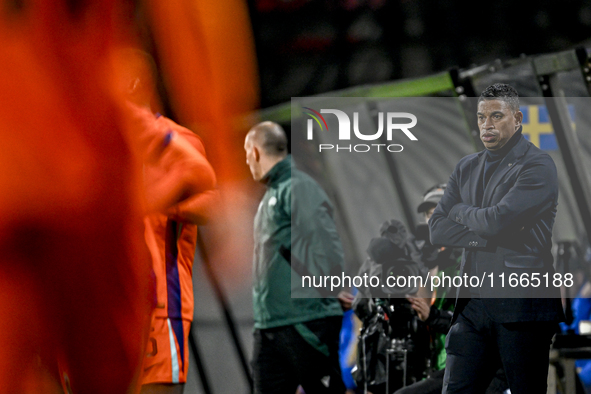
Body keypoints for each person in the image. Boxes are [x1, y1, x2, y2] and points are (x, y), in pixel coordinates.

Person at [429, 83, 564, 394]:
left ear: (517, 118)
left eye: (496, 116)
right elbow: (437, 228)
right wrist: (483, 237)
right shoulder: (466, 167)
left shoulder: (538, 165)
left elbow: (498, 220)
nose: (486, 125)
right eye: (480, 117)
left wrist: (460, 211)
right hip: (471, 306)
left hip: (521, 306)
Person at [114, 48, 218, 394]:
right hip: (103, 309)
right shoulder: (94, 143)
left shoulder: (177, 140)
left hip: (158, 305)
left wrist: (154, 198)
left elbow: (209, 202)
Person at [245, 121, 347, 394]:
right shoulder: (272, 195)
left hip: (304, 319)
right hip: (270, 324)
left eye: (246, 155)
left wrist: (334, 287)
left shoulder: (298, 187)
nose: (246, 162)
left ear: (254, 152)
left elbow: (324, 241)